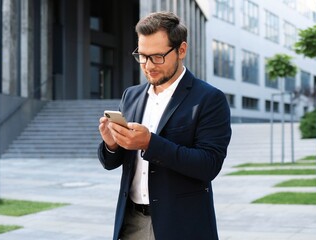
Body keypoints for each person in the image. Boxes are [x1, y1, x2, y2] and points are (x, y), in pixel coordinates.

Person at [98, 11, 231, 240]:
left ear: (181, 50)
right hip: (131, 222)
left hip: (182, 225)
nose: (148, 66)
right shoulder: (131, 96)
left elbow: (209, 165)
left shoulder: (209, 99)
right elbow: (112, 163)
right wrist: (112, 145)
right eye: (142, 55)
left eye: (157, 56)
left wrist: (150, 143)